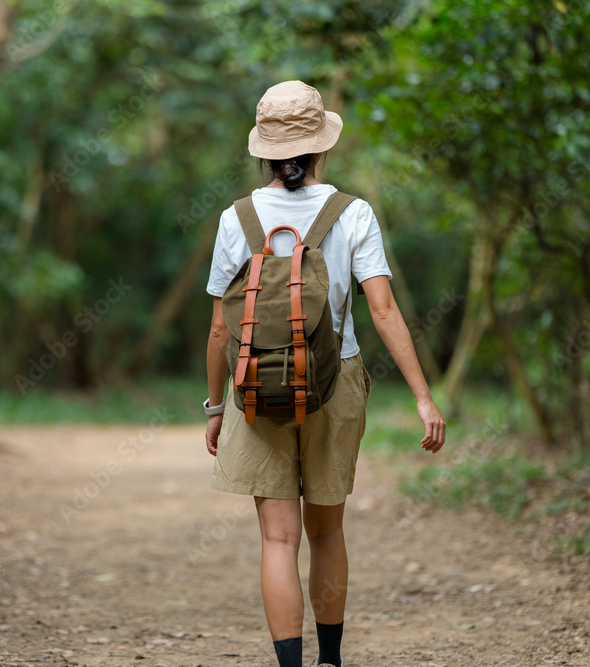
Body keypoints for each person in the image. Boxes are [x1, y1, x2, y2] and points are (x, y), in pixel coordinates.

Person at [203, 80, 446, 667]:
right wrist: (423, 397)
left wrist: (216, 407)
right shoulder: (353, 212)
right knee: (327, 534)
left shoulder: (236, 219)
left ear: (264, 150)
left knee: (278, 539)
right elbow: (383, 310)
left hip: (257, 389)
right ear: (321, 148)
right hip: (335, 384)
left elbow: (218, 328)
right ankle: (331, 662)